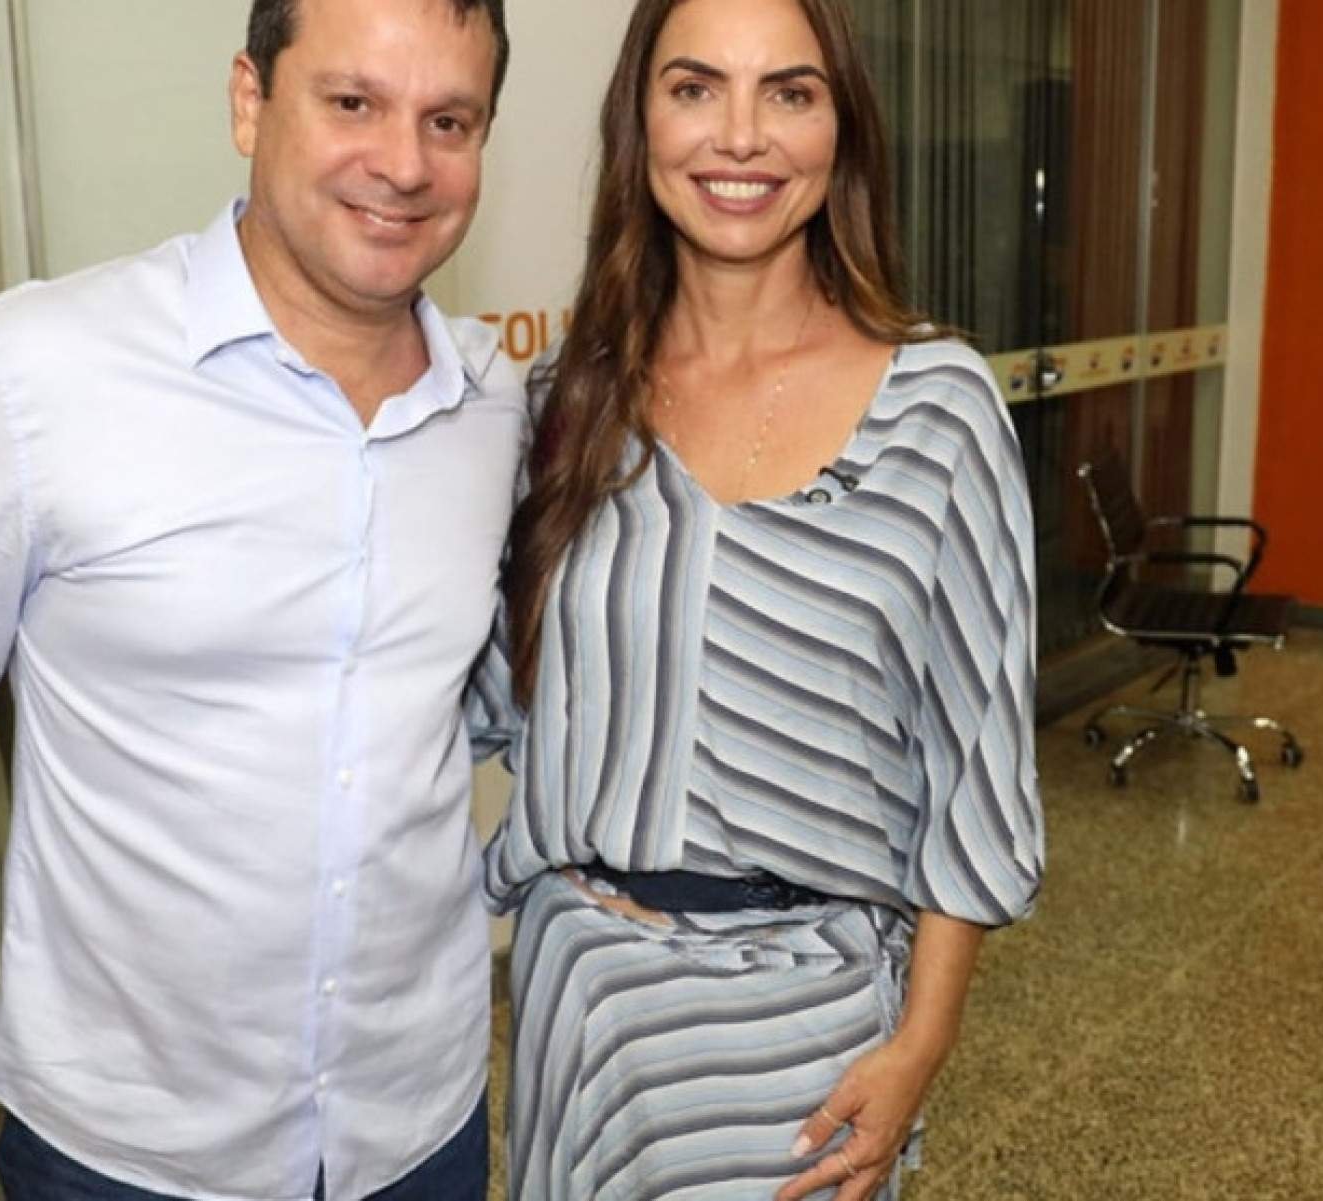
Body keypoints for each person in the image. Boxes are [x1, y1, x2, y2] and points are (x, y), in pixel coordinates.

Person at [0, 2, 519, 1199]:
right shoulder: (34, 372)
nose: (404, 163)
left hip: (418, 1115)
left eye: (450, 121)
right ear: (249, 101)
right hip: (130, 1144)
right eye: (352, 103)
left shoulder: (493, 407)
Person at [470, 0, 1044, 1197]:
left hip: (805, 1045)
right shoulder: (566, 405)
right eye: (695, 88)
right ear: (640, 121)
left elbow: (977, 763)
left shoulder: (937, 411)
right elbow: (479, 698)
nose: (741, 136)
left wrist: (922, 1044)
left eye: (789, 92)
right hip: (587, 1018)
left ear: (843, 130)